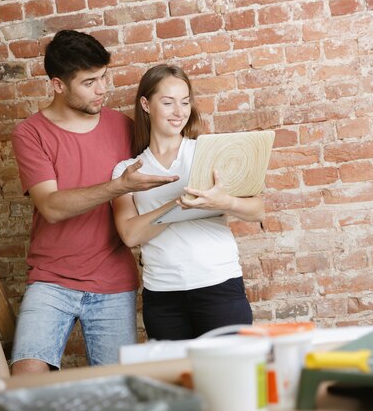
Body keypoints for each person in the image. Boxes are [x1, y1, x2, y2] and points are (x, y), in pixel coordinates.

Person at [10, 31, 178, 374]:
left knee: (118, 390)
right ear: (58, 84)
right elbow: (52, 206)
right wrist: (118, 186)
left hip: (113, 281)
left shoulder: (125, 127)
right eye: (89, 82)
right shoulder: (30, 133)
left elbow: (169, 158)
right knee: (26, 375)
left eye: (104, 77)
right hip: (50, 279)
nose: (102, 89)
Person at [111, 64, 265, 340]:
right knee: (178, 382)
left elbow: (257, 210)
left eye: (185, 102)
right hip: (163, 298)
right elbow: (130, 234)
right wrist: (181, 204)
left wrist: (225, 202)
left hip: (219, 287)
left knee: (228, 380)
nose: (179, 112)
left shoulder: (207, 153)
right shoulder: (128, 170)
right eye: (168, 103)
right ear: (145, 104)